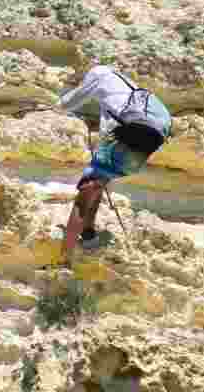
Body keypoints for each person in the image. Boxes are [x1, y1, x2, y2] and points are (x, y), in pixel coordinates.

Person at [55, 65, 172, 264]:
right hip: (153, 137)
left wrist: (53, 106)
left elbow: (68, 103)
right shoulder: (128, 89)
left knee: (85, 192)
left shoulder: (99, 73)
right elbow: (111, 124)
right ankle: (88, 234)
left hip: (134, 132)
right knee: (98, 182)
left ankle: (63, 260)